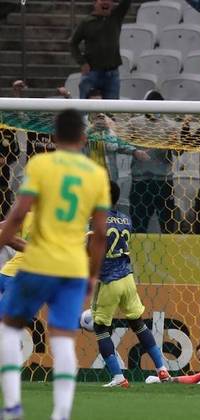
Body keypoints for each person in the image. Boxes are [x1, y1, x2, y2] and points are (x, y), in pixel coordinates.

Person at [0, 109, 110, 420]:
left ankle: (11, 407)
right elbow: (100, 233)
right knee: (63, 340)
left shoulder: (41, 165)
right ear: (84, 138)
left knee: (7, 330)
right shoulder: (96, 174)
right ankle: (61, 414)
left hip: (37, 263)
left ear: (53, 137)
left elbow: (18, 214)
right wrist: (91, 276)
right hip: (73, 269)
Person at [91, 181, 170, 388]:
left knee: (100, 328)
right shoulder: (126, 219)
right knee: (138, 323)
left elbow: (94, 249)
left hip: (109, 280)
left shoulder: (96, 220)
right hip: (127, 278)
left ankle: (118, 377)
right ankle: (162, 369)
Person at [126, 90, 180, 233]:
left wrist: (174, 143)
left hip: (164, 181)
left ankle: (168, 254)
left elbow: (178, 152)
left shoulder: (171, 125)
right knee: (138, 225)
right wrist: (134, 150)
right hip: (141, 180)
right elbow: (124, 145)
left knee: (167, 226)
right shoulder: (134, 123)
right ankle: (137, 254)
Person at [70, 0, 132, 99]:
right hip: (92, 73)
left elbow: (126, 2)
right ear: (95, 3)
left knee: (111, 111)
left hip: (112, 75)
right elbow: (73, 43)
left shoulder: (116, 17)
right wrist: (82, 62)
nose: (106, 2)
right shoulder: (86, 22)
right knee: (86, 109)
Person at [84, 88, 151, 180]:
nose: (97, 106)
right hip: (86, 173)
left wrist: (134, 151)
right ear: (85, 104)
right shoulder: (80, 122)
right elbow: (74, 143)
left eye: (99, 103)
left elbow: (118, 143)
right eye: (93, 103)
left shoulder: (109, 122)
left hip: (108, 174)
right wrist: (90, 130)